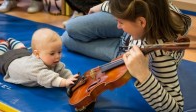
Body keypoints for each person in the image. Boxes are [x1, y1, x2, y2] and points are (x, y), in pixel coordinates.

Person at [62, 0, 191, 111]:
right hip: (131, 30)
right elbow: (123, 5)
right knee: (71, 29)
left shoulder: (160, 55)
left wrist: (143, 75)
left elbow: (176, 108)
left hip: (123, 52)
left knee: (67, 40)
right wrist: (102, 7)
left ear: (141, 22)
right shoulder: (147, 10)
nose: (118, 26)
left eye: (120, 22)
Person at [0, 28, 78, 88]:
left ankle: (12, 41)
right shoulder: (35, 68)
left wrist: (70, 78)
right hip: (9, 62)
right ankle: (4, 44)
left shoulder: (51, 60)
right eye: (52, 53)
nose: (57, 56)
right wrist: (65, 82)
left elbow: (62, 70)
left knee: (22, 50)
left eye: (59, 52)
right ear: (37, 54)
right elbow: (49, 78)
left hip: (25, 56)